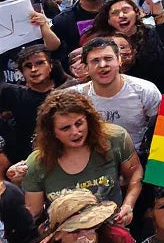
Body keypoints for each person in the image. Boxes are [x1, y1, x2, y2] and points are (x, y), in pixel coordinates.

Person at [18, 90, 141, 224]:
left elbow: (135, 173)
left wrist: (128, 205)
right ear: (52, 132)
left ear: (88, 119)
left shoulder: (115, 138)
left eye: (79, 123)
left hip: (112, 229)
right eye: (65, 128)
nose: (75, 132)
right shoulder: (37, 162)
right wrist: (15, 185)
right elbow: (33, 213)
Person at [68, 38, 161, 154]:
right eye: (95, 61)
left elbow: (157, 128)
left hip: (137, 156)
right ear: (86, 67)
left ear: (119, 60)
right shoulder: (75, 97)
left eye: (108, 59)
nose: (102, 65)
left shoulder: (146, 91)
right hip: (92, 159)